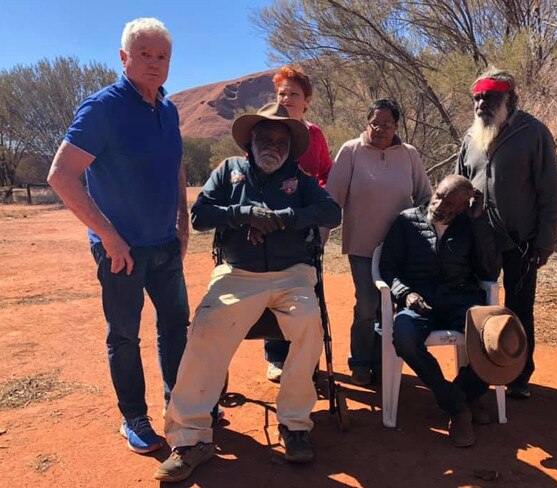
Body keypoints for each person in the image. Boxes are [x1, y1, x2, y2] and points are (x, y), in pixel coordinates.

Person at [154, 102, 341, 483]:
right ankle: (190, 438)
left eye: (280, 139)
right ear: (250, 143)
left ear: (290, 146)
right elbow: (200, 215)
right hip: (238, 274)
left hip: (293, 275)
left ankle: (295, 425)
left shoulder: (300, 178)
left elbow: (331, 213)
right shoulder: (228, 171)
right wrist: (243, 214)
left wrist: (285, 219)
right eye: (265, 138)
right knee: (205, 327)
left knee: (309, 322)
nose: (272, 144)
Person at [47, 18, 189, 454]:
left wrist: (182, 224)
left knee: (176, 329)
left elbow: (177, 169)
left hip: (165, 245)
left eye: (161, 56)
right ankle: (135, 419)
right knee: (125, 337)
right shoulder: (102, 108)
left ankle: (182, 405)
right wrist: (107, 236)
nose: (153, 63)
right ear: (124, 57)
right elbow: (62, 175)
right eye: (144, 54)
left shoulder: (167, 108)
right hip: (121, 252)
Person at [456, 67, 557, 399]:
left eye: (489, 97)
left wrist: (544, 244)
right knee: (477, 307)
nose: (481, 104)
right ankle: (479, 370)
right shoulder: (470, 137)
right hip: (479, 241)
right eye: (477, 98)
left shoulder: (534, 134)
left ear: (510, 98)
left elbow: (551, 196)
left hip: (522, 243)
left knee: (519, 310)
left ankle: (518, 375)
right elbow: (459, 186)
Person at [379, 175, 507, 447]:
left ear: (463, 207)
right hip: (420, 301)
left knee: (496, 340)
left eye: (450, 203)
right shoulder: (406, 220)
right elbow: (388, 267)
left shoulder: (468, 224)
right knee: (403, 334)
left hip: (461, 301)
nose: (439, 205)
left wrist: (478, 223)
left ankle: (456, 397)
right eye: (439, 195)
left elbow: (489, 270)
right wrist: (406, 293)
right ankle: (460, 406)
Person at [326, 99, 432, 386]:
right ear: (367, 123)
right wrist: (318, 240)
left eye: (387, 124)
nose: (381, 129)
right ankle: (360, 361)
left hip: (401, 249)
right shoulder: (351, 151)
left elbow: (425, 197)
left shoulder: (409, 154)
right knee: (367, 304)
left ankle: (384, 362)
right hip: (362, 245)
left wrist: (431, 235)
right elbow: (332, 199)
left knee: (395, 305)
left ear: (397, 126)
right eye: (375, 123)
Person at [264, 65, 334, 383]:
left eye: (294, 94)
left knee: (309, 290)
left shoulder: (314, 134)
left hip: (306, 225)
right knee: (272, 286)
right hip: (269, 225)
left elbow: (325, 171)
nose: (287, 98)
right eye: (282, 93)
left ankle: (307, 357)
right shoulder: (264, 130)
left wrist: (320, 210)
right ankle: (276, 357)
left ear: (306, 100)